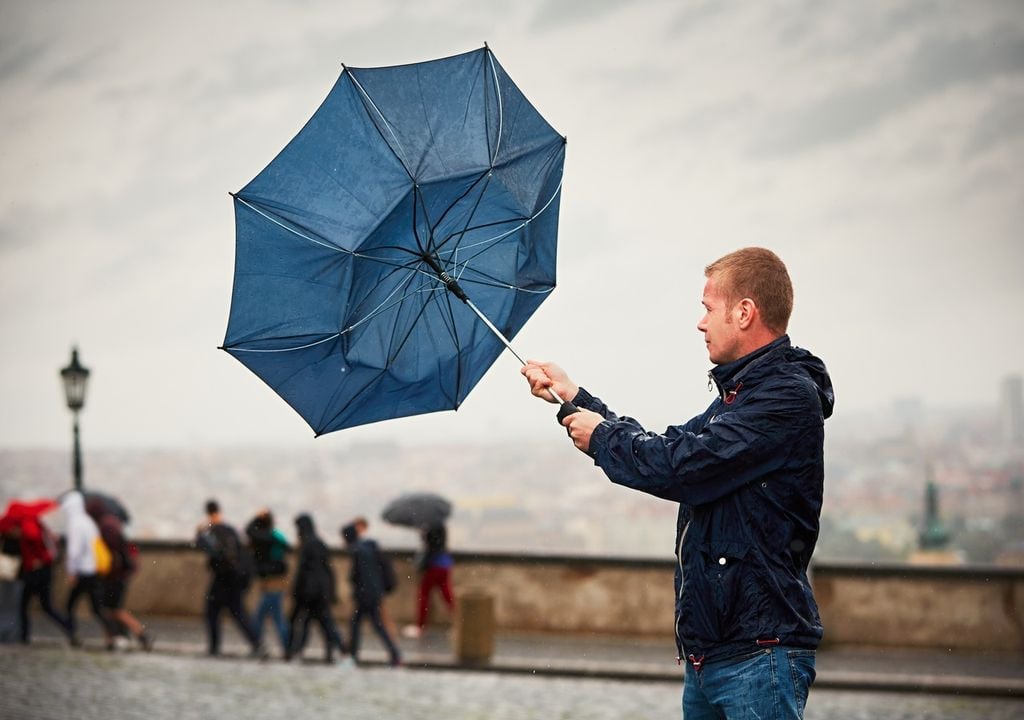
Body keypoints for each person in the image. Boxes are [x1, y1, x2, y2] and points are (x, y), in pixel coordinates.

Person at [521, 247, 833, 720]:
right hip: (713, 652)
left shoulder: (785, 397)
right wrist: (572, 397)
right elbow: (669, 446)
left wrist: (601, 439)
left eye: (708, 308)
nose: (700, 323)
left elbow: (682, 466)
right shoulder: (738, 398)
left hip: (759, 651)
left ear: (744, 312)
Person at [195, 499, 263, 658]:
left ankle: (214, 647)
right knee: (238, 613)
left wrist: (199, 532)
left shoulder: (213, 531)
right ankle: (257, 644)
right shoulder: (230, 529)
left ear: (207, 513)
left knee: (212, 612)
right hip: (236, 578)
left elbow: (204, 546)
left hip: (223, 578)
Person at [1, 500, 74, 644]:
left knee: (32, 605)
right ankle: (66, 628)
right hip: (39, 571)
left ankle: (25, 636)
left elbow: (33, 539)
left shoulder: (29, 526)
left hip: (36, 572)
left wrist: (38, 560)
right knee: (39, 606)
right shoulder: (38, 524)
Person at [86, 497, 153, 651]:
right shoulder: (111, 523)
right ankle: (120, 637)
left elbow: (113, 552)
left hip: (114, 575)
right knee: (110, 609)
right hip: (119, 574)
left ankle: (136, 635)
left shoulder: (106, 527)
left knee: (113, 610)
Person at [285, 514, 350, 664]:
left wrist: (296, 591)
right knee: (322, 624)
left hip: (310, 592)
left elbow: (303, 570)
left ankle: (296, 651)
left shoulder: (307, 544)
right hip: (320, 591)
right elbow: (327, 569)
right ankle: (334, 652)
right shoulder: (318, 542)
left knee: (315, 623)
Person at [341, 520, 402, 667]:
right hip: (374, 593)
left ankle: (353, 657)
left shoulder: (357, 551)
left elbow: (357, 576)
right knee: (376, 625)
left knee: (359, 626)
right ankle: (394, 655)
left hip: (364, 595)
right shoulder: (369, 548)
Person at [61, 491, 115, 648]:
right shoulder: (87, 521)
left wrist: (71, 571)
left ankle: (73, 636)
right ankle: (112, 636)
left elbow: (74, 551)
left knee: (70, 606)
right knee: (97, 608)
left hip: (83, 571)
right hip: (93, 570)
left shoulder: (75, 524)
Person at [245, 509, 291, 654]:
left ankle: (276, 646)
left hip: (272, 581)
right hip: (275, 580)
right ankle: (281, 647)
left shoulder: (266, 537)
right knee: (272, 617)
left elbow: (249, 530)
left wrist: (257, 516)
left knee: (268, 618)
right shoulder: (276, 536)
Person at [402, 522, 454, 639]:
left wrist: (424, 535)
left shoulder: (432, 527)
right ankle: (461, 621)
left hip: (434, 565)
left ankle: (420, 626)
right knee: (447, 595)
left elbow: (431, 545)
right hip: (445, 563)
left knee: (423, 595)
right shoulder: (440, 525)